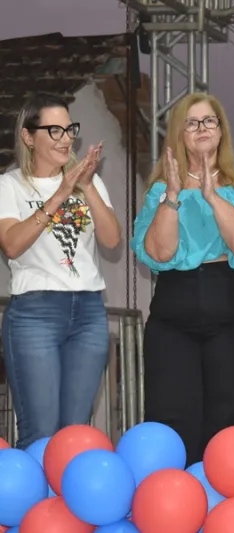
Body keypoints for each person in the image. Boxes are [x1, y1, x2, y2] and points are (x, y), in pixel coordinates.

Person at [131, 93, 234, 465]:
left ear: (222, 131)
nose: (202, 128)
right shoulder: (161, 192)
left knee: (226, 421)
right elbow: (158, 254)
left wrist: (213, 196)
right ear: (179, 134)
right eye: (192, 122)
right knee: (172, 422)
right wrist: (174, 197)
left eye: (210, 121)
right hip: (174, 314)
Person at [0, 92, 120, 449]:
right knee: (40, 434)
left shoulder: (89, 183)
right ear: (27, 136)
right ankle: (29, 506)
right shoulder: (9, 186)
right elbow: (12, 244)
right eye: (54, 130)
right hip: (34, 313)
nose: (67, 139)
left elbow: (112, 240)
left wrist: (83, 186)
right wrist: (59, 195)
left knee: (74, 437)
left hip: (88, 313)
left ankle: (64, 505)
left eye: (70, 129)